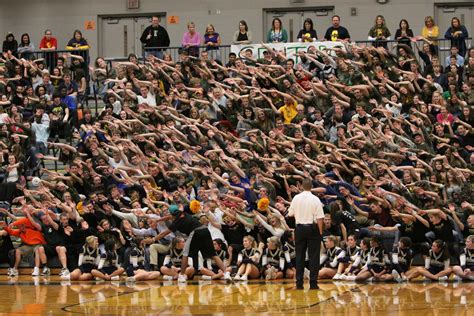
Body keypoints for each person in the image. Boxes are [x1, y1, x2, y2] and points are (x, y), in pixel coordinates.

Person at [153, 205, 231, 283]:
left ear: (171, 213)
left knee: (185, 253)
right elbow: (169, 217)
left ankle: (182, 275)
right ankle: (225, 273)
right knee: (213, 254)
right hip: (205, 230)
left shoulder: (176, 223)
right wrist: (157, 220)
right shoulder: (183, 212)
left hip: (195, 232)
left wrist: (153, 239)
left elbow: (163, 233)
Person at [288, 178, 325, 289]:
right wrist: (320, 232)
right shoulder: (315, 199)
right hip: (312, 228)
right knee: (314, 256)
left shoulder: (296, 198)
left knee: (299, 256)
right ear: (311, 186)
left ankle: (299, 283)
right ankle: (313, 283)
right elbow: (320, 218)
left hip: (299, 228)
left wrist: (300, 216)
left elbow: (290, 214)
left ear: (301, 186)